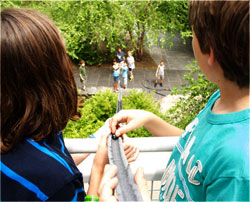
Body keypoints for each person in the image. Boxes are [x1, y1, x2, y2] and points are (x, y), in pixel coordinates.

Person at [104, 1, 250, 201]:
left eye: (193, 34)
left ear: (211, 53)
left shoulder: (239, 169)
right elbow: (198, 146)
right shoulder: (223, 99)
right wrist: (149, 120)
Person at [1, 8, 138, 201]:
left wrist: (99, 136)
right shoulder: (57, 181)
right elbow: (53, 175)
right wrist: (99, 168)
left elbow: (53, 159)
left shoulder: (20, 130)